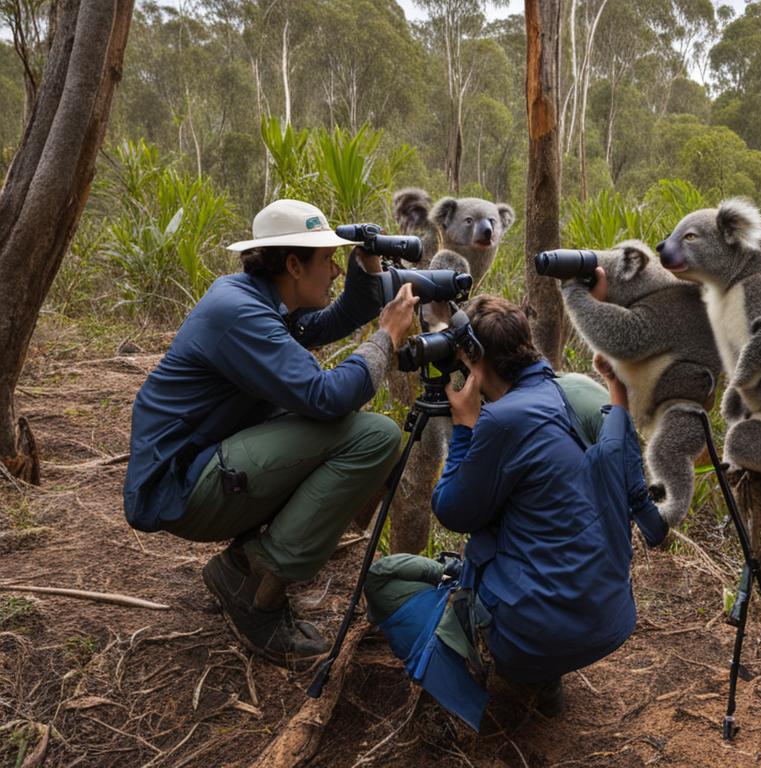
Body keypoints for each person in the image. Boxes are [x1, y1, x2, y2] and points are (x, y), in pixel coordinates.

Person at [123, 199, 420, 666]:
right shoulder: (239, 314)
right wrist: (386, 338)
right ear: (294, 265)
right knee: (374, 435)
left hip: (204, 462)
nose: (334, 271)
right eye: (328, 260)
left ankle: (251, 561)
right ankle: (254, 590)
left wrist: (366, 262)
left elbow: (332, 319)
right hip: (181, 487)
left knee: (349, 430)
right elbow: (328, 397)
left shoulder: (255, 298)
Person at [364, 293, 667, 725]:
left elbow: (451, 511)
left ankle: (486, 685)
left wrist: (465, 427)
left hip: (532, 633)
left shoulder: (502, 420)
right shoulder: (569, 394)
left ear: (473, 357)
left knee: (383, 578)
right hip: (607, 619)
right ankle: (541, 675)